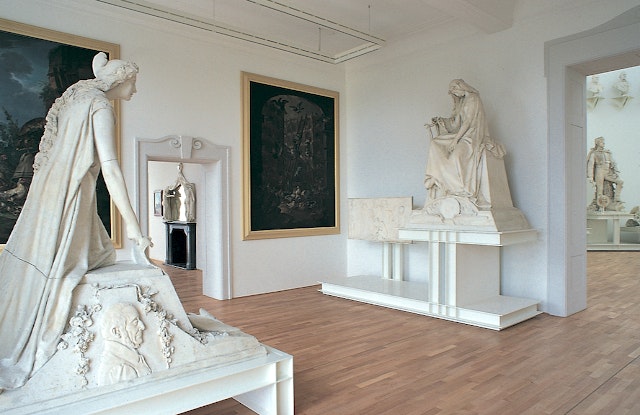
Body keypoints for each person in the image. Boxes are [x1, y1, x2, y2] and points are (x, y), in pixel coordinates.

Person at [0, 52, 152, 390]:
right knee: (67, 269)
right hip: (72, 195)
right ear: (120, 80)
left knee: (89, 256)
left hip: (49, 192)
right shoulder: (99, 106)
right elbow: (110, 169)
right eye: (133, 83)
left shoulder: (76, 98)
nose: (134, 90)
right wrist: (135, 229)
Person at [424, 79, 504, 207]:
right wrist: (441, 121)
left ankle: (459, 189)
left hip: (472, 136)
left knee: (456, 156)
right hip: (461, 135)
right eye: (452, 92)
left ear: (462, 87)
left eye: (454, 89)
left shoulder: (473, 99)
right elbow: (456, 125)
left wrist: (455, 141)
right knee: (435, 143)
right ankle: (436, 175)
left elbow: (467, 123)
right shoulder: (462, 102)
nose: (454, 93)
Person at [97, 303, 151, 386]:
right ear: (117, 331)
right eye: (135, 322)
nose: (142, 326)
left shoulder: (128, 360)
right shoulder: (121, 370)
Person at [587, 136, 623, 210]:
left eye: (603, 142)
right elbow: (590, 166)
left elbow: (613, 163)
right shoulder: (594, 153)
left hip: (608, 172)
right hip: (599, 172)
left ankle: (617, 199)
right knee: (599, 190)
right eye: (601, 142)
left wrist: (616, 172)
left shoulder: (607, 153)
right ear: (597, 143)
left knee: (620, 181)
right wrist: (590, 177)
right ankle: (600, 206)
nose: (603, 143)